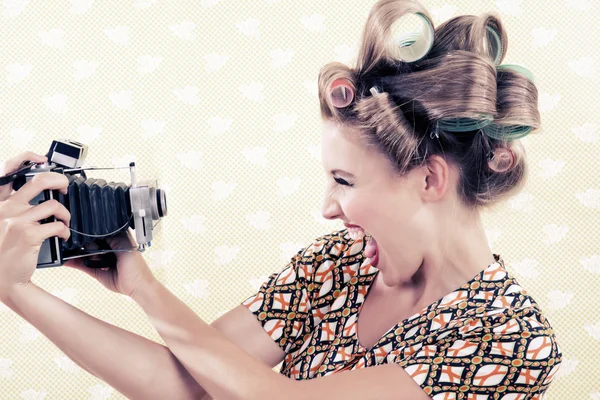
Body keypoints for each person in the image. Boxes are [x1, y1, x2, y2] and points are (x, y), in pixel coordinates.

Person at [0, 0, 561, 399]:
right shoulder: (335, 267)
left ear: (429, 181)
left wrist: (146, 290)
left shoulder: (508, 338)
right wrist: (14, 287)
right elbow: (181, 386)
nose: (328, 208)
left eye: (344, 181)